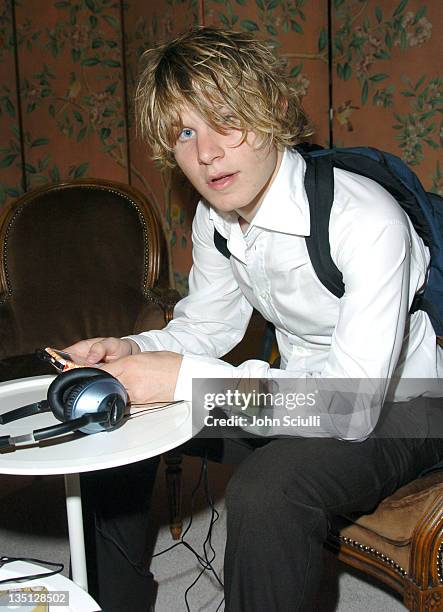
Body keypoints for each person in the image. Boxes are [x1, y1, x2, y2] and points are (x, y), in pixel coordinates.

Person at [66, 26, 443, 612]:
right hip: (301, 388)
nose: (206, 153)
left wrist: (186, 383)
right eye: (186, 132)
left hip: (403, 406)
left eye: (225, 120)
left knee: (270, 491)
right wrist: (133, 351)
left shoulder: (366, 221)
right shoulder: (216, 219)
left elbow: (350, 409)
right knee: (115, 418)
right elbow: (205, 330)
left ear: (269, 112)